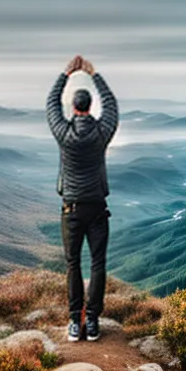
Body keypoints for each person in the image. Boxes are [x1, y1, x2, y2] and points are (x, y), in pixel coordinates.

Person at [46, 54, 119, 342]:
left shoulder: (63, 133)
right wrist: (93, 73)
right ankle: (93, 322)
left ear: (73, 108)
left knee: (73, 264)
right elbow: (112, 105)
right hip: (98, 209)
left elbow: (51, 103)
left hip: (71, 209)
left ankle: (75, 322)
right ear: (89, 107)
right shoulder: (102, 133)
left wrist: (66, 73)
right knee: (97, 263)